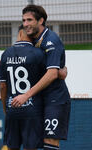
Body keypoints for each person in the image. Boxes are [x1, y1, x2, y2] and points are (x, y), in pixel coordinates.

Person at [11, 5, 71, 150]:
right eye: (24, 20)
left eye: (29, 20)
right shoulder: (29, 40)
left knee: (50, 142)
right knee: (29, 142)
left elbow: (52, 74)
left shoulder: (51, 40)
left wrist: (26, 95)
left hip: (54, 98)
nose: (25, 24)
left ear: (41, 20)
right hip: (36, 100)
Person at [0, 26, 45, 150]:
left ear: (19, 33)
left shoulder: (6, 53)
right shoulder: (38, 53)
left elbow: (3, 86)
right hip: (32, 110)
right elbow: (45, 81)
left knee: (12, 147)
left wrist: (5, 108)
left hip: (12, 108)